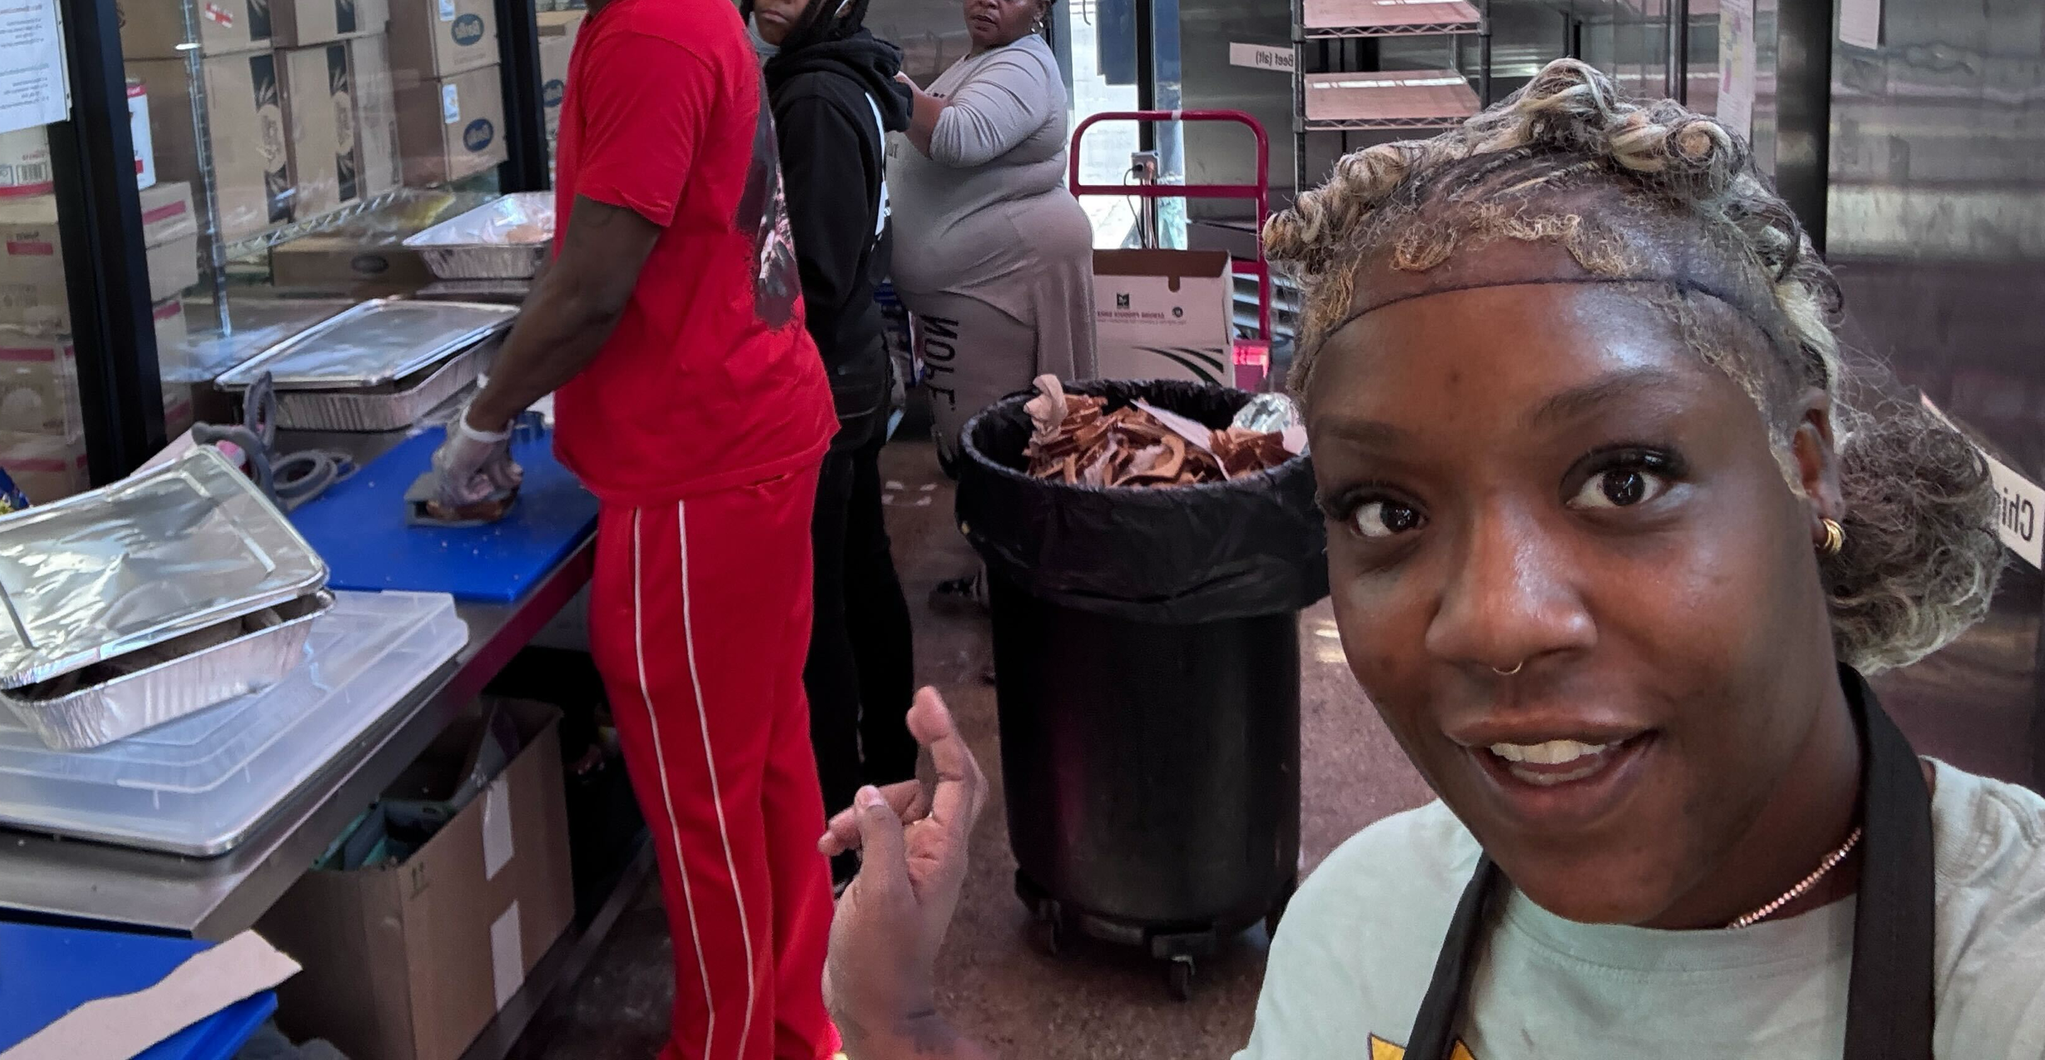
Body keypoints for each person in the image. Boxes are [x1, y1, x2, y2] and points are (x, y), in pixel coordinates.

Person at [817, 60, 2045, 1058]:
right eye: (1388, 512)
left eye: (1622, 480)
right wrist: (899, 1024)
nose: (1493, 623)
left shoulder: (2010, 980)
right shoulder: (1368, 926)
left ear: (1807, 463)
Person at [441, 0, 840, 1060]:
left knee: (700, 797)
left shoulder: (651, 36)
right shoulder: (667, 7)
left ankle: (725, 1045)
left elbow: (592, 289)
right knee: (763, 763)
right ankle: (793, 1027)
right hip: (754, 429)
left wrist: (482, 421)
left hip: (697, 466)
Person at [742, 0, 918, 820]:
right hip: (851, 371)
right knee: (861, 571)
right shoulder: (839, 75)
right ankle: (889, 761)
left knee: (826, 601)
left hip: (825, 380)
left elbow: (811, 269)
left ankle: (843, 799)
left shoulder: (812, 96)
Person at [887, 0, 1097, 459]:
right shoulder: (984, 58)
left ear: (1040, 9)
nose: (988, 0)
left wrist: (886, 83)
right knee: (974, 443)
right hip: (972, 283)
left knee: (992, 445)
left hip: (997, 283)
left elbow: (959, 137)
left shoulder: (1023, 65)